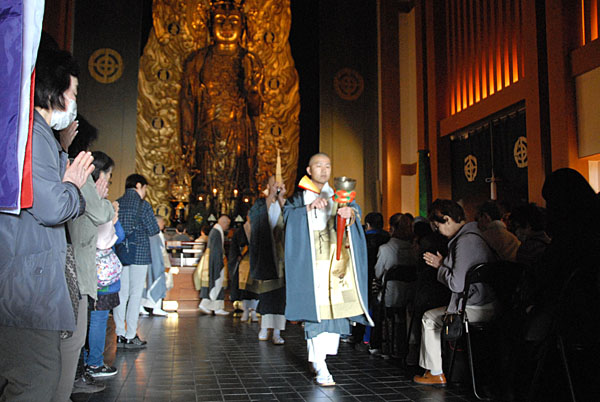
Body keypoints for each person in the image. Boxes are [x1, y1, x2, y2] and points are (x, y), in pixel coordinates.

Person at [0, 49, 93, 401]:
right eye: (73, 93)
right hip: (27, 286)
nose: (74, 103)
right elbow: (52, 205)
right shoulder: (32, 133)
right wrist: (74, 187)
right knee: (36, 381)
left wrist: (63, 150)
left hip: (24, 280)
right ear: (53, 91)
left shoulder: (34, 133)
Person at [284, 153, 373, 386]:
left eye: (328, 165)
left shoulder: (339, 196)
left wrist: (349, 214)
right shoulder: (298, 198)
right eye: (318, 165)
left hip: (335, 265)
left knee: (334, 313)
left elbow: (355, 214)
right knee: (317, 314)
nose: (323, 170)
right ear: (309, 169)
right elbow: (286, 220)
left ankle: (320, 360)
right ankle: (322, 366)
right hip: (311, 266)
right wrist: (308, 209)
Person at [180, 0, 263, 210]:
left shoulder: (250, 60)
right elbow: (188, 103)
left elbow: (256, 110)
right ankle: (200, 223)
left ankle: (239, 224)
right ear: (210, 26)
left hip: (239, 135)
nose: (227, 26)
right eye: (220, 21)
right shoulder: (198, 60)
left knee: (240, 183)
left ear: (243, 27)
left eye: (233, 21)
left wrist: (252, 90)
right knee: (203, 184)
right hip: (206, 133)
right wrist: (187, 142)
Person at [413, 199, 497, 387]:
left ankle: (434, 372)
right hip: (489, 302)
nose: (437, 232)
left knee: (429, 318)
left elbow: (456, 284)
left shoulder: (464, 241)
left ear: (447, 219)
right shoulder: (476, 235)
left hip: (475, 307)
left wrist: (439, 267)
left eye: (437, 226)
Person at [85, 151, 122, 378]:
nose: (109, 179)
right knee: (99, 318)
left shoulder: (84, 198)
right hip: (102, 274)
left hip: (89, 270)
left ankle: (86, 362)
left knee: (89, 318)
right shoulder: (100, 205)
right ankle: (95, 363)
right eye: (109, 174)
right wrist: (114, 216)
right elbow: (111, 237)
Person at [114, 174, 161, 348]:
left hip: (120, 253)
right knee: (135, 295)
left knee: (121, 294)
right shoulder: (143, 205)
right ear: (139, 186)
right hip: (139, 254)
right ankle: (130, 334)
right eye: (145, 188)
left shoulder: (116, 203)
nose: (146, 192)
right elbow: (153, 230)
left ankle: (119, 333)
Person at [370, 213, 417, 358]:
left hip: (390, 297)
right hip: (410, 295)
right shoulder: (413, 248)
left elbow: (378, 273)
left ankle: (376, 344)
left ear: (392, 228)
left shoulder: (385, 249)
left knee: (375, 302)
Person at [250, 176, 287, 344]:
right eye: (274, 185)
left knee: (280, 295)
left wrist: (280, 197)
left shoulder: (286, 203)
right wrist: (271, 196)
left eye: (280, 185)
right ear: (268, 186)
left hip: (282, 256)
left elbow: (291, 218)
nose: (277, 187)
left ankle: (278, 332)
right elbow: (255, 219)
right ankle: (264, 327)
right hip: (266, 254)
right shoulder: (260, 203)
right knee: (266, 293)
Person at [350, 212, 389, 349]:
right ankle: (373, 340)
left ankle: (359, 336)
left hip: (364, 276)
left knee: (362, 306)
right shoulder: (388, 238)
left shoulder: (361, 239)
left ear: (367, 225)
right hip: (382, 280)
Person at [195, 215, 232, 315]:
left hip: (212, 260)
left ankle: (207, 305)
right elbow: (216, 250)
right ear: (223, 223)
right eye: (227, 224)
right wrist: (219, 263)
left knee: (212, 283)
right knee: (216, 281)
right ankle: (216, 307)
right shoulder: (216, 232)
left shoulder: (216, 231)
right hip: (215, 260)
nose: (227, 227)